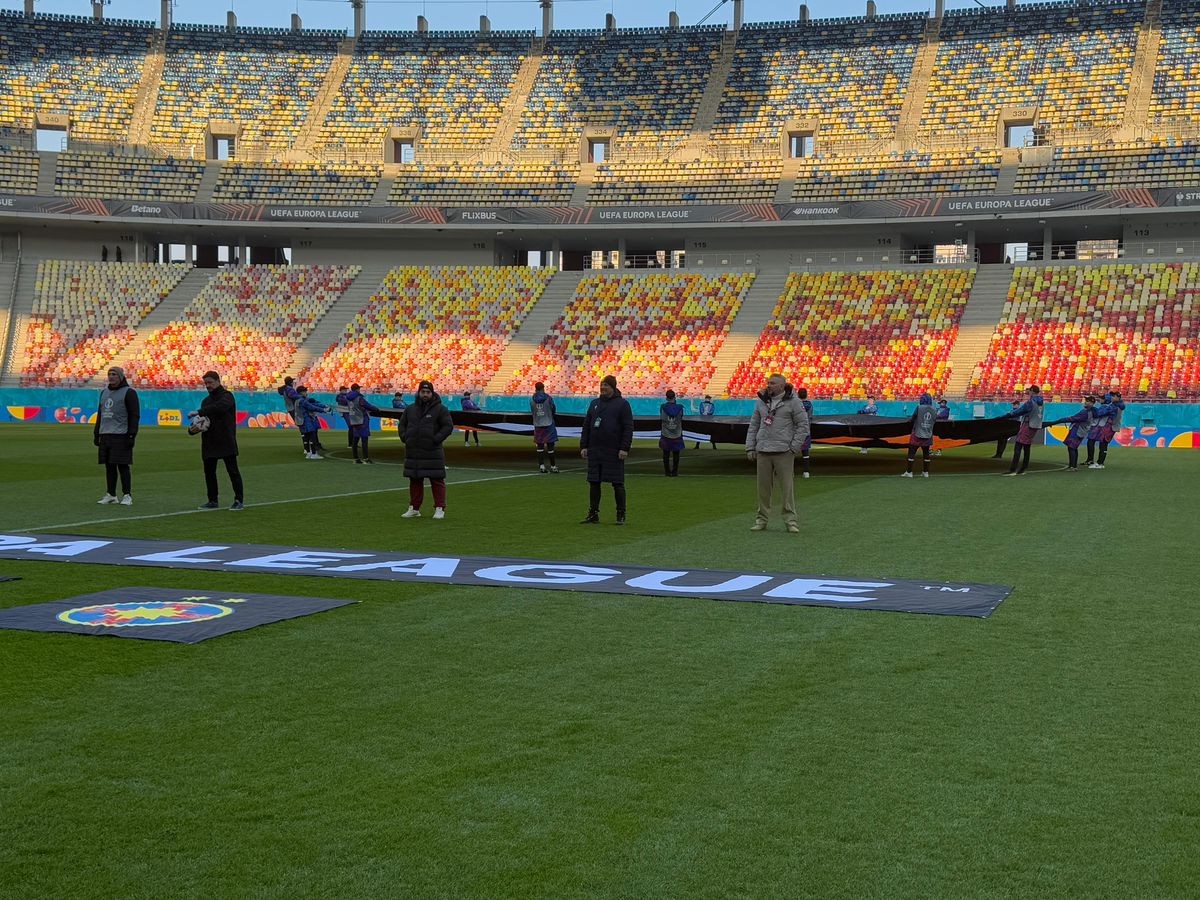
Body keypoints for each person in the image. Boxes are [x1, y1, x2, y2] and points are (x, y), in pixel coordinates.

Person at [745, 373, 810, 533]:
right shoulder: (761, 401)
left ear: (782, 386)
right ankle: (761, 520)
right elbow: (753, 425)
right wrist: (750, 447)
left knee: (787, 489)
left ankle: (790, 521)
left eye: (772, 383)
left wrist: (793, 447)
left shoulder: (794, 402)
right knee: (763, 489)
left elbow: (803, 426)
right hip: (763, 450)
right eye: (768, 382)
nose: (769, 385)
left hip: (784, 451)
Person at [580, 374, 634, 525]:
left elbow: (628, 428)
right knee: (594, 482)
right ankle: (593, 514)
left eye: (606, 385)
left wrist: (624, 448)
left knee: (617, 483)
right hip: (595, 449)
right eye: (602, 385)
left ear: (613, 387)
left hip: (613, 450)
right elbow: (587, 425)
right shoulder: (594, 403)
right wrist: (584, 446)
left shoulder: (622, 404)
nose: (603, 388)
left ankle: (621, 514)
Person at [399, 380, 454, 520]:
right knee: (415, 480)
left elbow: (448, 426)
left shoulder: (440, 409)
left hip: (433, 452)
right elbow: (402, 425)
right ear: (418, 392)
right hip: (414, 452)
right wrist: (405, 437)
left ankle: (440, 508)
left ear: (432, 393)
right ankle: (414, 508)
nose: (425, 394)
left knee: (437, 480)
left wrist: (435, 439)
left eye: (428, 392)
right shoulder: (410, 409)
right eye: (422, 392)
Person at [191, 370, 244, 510]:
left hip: (226, 439)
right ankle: (212, 500)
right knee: (209, 473)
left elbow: (219, 407)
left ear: (218, 381)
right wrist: (192, 430)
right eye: (206, 383)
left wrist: (199, 412)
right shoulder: (206, 401)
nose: (208, 385)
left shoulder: (227, 396)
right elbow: (202, 421)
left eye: (210, 382)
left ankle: (239, 500)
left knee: (233, 471)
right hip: (209, 440)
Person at [93, 366, 140, 505]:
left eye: (114, 374)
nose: (111, 376)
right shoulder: (104, 393)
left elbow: (134, 415)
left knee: (123, 466)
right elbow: (100, 415)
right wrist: (96, 433)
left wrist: (131, 435)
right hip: (105, 434)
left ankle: (127, 495)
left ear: (120, 376)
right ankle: (111, 494)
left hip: (121, 434)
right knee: (109, 466)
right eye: (109, 374)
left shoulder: (129, 392)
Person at [1002, 385, 1044, 476]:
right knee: (1027, 447)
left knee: (1018, 446)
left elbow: (1020, 411)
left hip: (1027, 424)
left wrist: (1008, 415)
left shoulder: (1031, 402)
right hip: (1035, 425)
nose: (1028, 392)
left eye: (1029, 390)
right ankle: (1023, 468)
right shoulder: (1041, 402)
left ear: (1032, 391)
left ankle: (1013, 469)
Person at [1046, 396, 1096, 471]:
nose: (1086, 402)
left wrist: (1060, 420)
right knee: (1073, 447)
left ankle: (1072, 466)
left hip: (1077, 430)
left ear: (1092, 403)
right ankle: (1073, 465)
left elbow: (1073, 418)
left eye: (1088, 401)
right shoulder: (1091, 411)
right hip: (1081, 430)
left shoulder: (1085, 412)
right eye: (1086, 400)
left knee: (1071, 447)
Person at [1085, 391, 1124, 469]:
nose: (1112, 397)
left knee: (1103, 444)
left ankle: (1100, 463)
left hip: (1108, 427)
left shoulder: (1113, 407)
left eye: (1114, 396)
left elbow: (1099, 413)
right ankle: (1099, 462)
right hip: (1109, 426)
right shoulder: (1116, 406)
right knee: (1103, 444)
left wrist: (1091, 407)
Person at [901, 393, 937, 478]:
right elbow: (935, 420)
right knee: (926, 453)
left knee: (911, 453)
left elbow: (913, 418)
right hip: (928, 434)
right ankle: (925, 472)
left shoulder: (919, 407)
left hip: (917, 434)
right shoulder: (934, 409)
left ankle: (909, 472)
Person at [294, 386, 333, 459]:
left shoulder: (297, 400)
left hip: (301, 420)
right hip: (306, 419)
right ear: (302, 392)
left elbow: (313, 405)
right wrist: (324, 410)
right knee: (312, 436)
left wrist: (323, 407)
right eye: (305, 391)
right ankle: (314, 454)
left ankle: (308, 453)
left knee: (306, 436)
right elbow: (311, 407)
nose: (306, 393)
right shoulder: (302, 400)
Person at [344, 383, 379, 464]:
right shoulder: (359, 398)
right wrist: (376, 409)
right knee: (364, 440)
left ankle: (355, 458)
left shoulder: (348, 398)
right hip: (362, 419)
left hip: (354, 419)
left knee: (355, 440)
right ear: (357, 389)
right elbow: (368, 406)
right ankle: (366, 458)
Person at [530, 381, 560, 473]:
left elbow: (532, 411)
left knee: (540, 446)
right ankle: (553, 466)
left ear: (535, 389)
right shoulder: (548, 398)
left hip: (538, 424)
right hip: (548, 423)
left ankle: (542, 466)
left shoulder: (532, 399)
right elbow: (553, 409)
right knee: (550, 447)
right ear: (543, 388)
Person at [659, 389, 685, 477]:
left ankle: (667, 472)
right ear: (675, 397)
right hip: (677, 433)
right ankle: (674, 472)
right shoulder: (680, 408)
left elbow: (661, 418)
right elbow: (681, 417)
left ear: (666, 398)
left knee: (666, 454)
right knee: (676, 454)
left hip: (666, 433)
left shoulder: (663, 407)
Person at [277, 376, 304, 455]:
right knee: (302, 425)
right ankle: (307, 445)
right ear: (290, 382)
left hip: (290, 408)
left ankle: (306, 443)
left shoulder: (285, 389)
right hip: (293, 408)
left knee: (300, 425)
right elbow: (292, 396)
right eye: (292, 381)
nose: (293, 382)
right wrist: (301, 396)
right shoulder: (289, 389)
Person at [796, 387, 814, 478]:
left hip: (795, 430)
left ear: (798, 395)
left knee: (789, 451)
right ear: (806, 395)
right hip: (806, 430)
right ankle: (806, 472)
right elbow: (810, 417)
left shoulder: (795, 404)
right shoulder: (809, 405)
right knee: (805, 451)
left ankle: (788, 472)